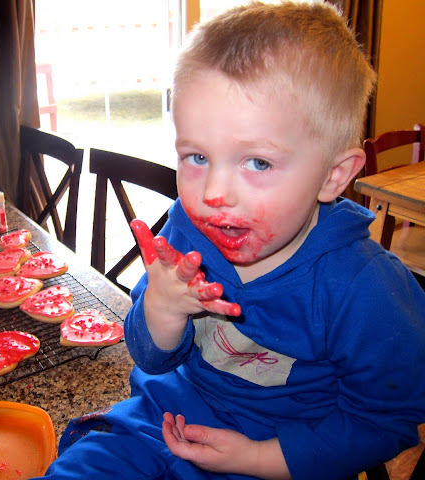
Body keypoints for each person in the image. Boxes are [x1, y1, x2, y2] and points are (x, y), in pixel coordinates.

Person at [35, 2, 425, 479]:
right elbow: (150, 357)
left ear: (333, 176)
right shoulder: (187, 230)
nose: (213, 194)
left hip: (278, 457)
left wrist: (255, 458)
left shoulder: (365, 289)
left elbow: (383, 423)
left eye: (258, 162)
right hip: (159, 424)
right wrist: (162, 308)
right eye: (197, 157)